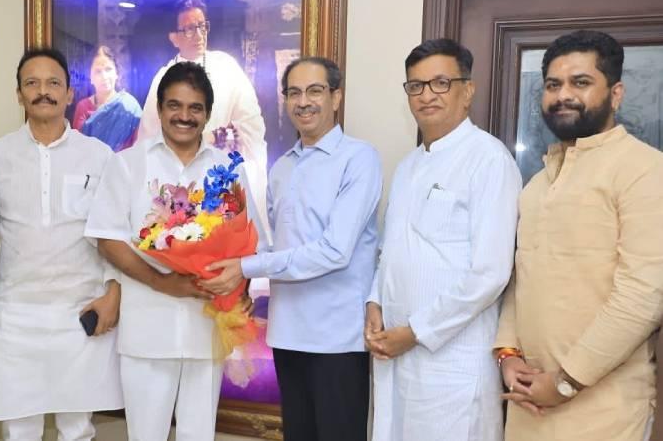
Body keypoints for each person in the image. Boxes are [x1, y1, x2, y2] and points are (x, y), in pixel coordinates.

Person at [200, 57, 381, 441]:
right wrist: (237, 286)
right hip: (286, 333)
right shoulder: (282, 167)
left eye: (315, 90)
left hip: (337, 337)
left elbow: (335, 251)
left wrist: (246, 267)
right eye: (294, 93)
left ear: (336, 97)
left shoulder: (359, 159)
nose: (304, 101)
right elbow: (270, 244)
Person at [496, 30, 663, 441]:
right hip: (529, 402)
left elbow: (643, 296)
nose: (563, 95)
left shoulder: (644, 169)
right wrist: (508, 355)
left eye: (580, 82)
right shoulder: (537, 184)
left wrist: (567, 381)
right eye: (553, 85)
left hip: (603, 412)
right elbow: (521, 278)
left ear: (616, 93)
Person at [86, 61, 262, 441]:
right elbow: (107, 238)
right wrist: (161, 281)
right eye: (175, 105)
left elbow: (246, 238)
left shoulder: (227, 169)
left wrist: (239, 290)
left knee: (199, 434)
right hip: (148, 329)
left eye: (195, 108)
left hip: (208, 326)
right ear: (160, 108)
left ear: (208, 115)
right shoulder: (127, 164)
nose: (184, 116)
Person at [364, 39, 521, 441]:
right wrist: (374, 300)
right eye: (415, 86)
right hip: (397, 353)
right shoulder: (408, 164)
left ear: (467, 90)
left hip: (451, 360)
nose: (426, 95)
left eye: (440, 83)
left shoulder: (489, 159)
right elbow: (392, 248)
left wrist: (415, 331)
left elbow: (489, 273)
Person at [0, 48, 123, 441]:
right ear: (19, 94)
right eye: (32, 83)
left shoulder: (99, 156)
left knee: (77, 429)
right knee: (18, 427)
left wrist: (114, 292)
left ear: (70, 94)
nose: (43, 92)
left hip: (79, 311)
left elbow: (115, 232)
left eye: (53, 83)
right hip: (15, 315)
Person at [138, 0, 268, 237]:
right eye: (188, 29)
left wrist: (213, 138)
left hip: (221, 170)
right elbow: (148, 136)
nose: (198, 35)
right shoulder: (162, 77)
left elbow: (251, 125)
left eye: (201, 26)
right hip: (174, 176)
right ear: (173, 37)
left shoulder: (227, 67)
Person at [72, 45, 142, 152]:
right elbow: (77, 149)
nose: (104, 76)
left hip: (124, 166)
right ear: (90, 77)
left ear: (117, 73)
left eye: (108, 69)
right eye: (98, 71)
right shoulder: (83, 107)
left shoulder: (130, 107)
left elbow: (139, 147)